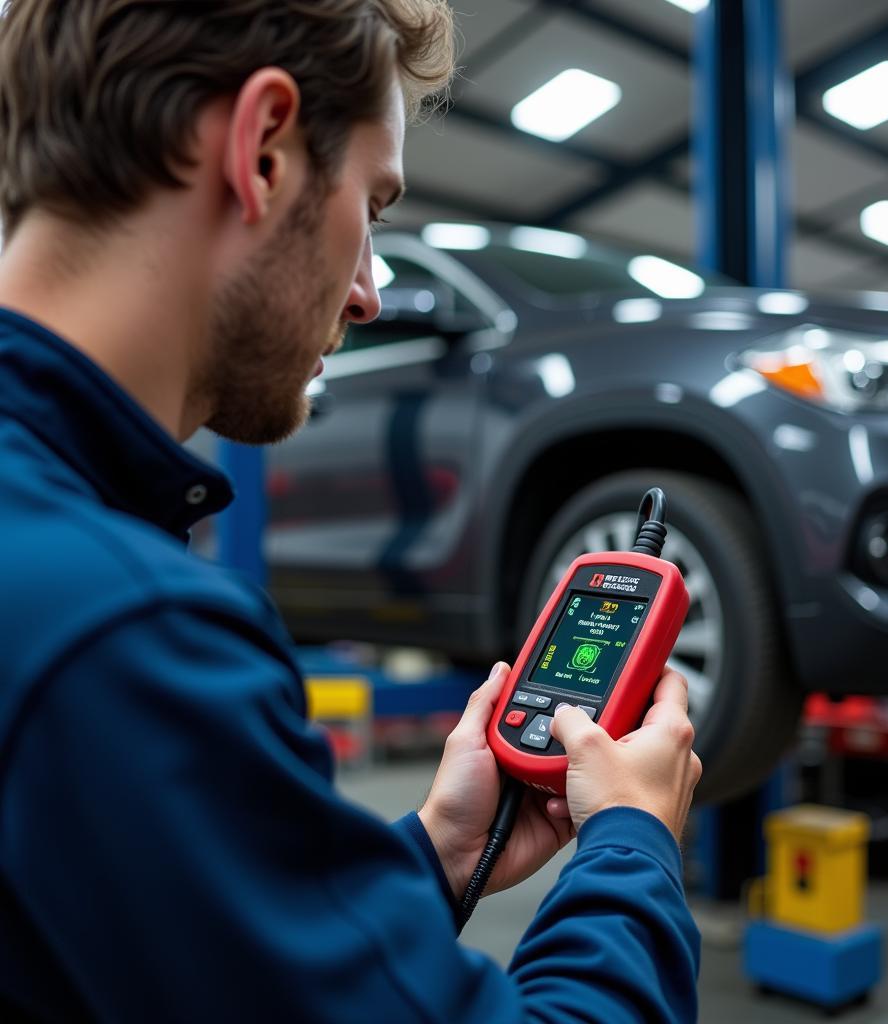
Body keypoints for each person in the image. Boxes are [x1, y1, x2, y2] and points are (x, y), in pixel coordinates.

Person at [0, 1, 703, 1021]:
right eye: (372, 206)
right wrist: (633, 844)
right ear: (264, 149)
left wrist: (439, 853)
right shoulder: (122, 634)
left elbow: (204, 969)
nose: (370, 289)